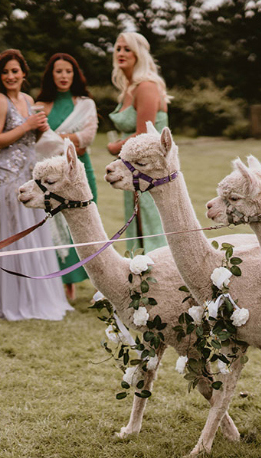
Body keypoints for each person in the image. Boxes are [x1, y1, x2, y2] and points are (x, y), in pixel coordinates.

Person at [0, 49, 72, 321]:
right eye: (5, 72)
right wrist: (27, 124)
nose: (10, 76)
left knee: (32, 235)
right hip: (7, 179)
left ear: (23, 74)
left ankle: (36, 296)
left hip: (30, 178)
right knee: (11, 234)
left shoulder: (29, 100)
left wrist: (39, 127)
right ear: (0, 75)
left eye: (15, 71)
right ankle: (10, 299)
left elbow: (35, 136)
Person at [34, 53, 99, 301]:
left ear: (75, 74)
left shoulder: (85, 104)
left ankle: (99, 282)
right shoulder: (40, 105)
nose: (63, 76)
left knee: (88, 225)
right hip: (51, 177)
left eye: (68, 71)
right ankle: (64, 287)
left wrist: (54, 136)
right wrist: (66, 138)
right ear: (51, 75)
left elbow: (86, 141)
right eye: (58, 71)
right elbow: (37, 142)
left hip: (81, 173)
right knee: (55, 226)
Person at [106, 32, 170, 253]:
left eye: (127, 49)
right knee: (138, 232)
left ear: (139, 54)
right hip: (132, 170)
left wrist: (116, 147)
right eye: (118, 48)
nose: (121, 53)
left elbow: (144, 134)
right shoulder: (129, 88)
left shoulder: (146, 87)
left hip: (149, 171)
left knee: (153, 230)